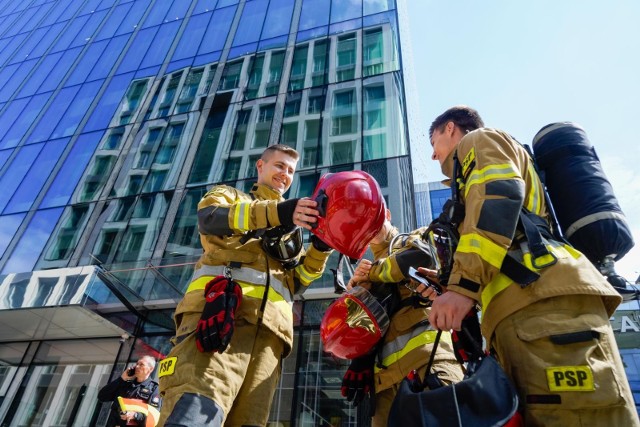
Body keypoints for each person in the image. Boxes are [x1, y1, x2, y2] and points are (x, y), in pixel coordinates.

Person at [418, 105, 639, 426]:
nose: (435, 157)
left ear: (450, 128)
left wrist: (462, 287)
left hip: (541, 304)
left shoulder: (478, 140)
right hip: (530, 308)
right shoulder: (469, 170)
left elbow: (499, 195)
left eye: (433, 143)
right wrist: (448, 282)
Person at [157, 144, 333, 426]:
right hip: (220, 320)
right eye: (279, 165)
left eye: (290, 171)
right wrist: (279, 212)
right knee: (197, 410)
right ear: (260, 166)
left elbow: (297, 282)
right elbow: (209, 220)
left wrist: (321, 250)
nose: (284, 174)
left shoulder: (293, 235)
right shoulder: (228, 195)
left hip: (268, 341)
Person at [342, 210, 464, 427]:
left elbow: (421, 257)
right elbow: (361, 329)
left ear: (388, 214)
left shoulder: (414, 238)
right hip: (384, 384)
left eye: (373, 218)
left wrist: (371, 274)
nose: (368, 226)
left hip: (428, 361)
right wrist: (355, 293)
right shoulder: (363, 274)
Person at [98, 355, 161, 427]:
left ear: (151, 369)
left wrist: (135, 415)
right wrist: (122, 378)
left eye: (141, 364)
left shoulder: (154, 389)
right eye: (137, 364)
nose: (137, 366)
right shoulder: (124, 384)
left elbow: (154, 416)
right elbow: (102, 396)